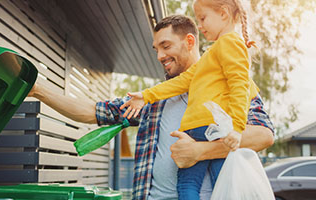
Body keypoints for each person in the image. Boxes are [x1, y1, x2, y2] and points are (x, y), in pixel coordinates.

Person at [28, 14, 274, 200]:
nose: (159, 56)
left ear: (190, 42)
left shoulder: (232, 83)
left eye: (166, 46)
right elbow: (94, 111)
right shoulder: (153, 99)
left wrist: (200, 151)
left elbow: (262, 136)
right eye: (156, 49)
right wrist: (39, 90)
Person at [121, 0, 266, 199]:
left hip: (205, 129)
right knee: (222, 183)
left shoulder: (230, 43)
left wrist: (237, 128)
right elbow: (183, 81)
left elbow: (239, 85)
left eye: (203, 18)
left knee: (190, 184)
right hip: (204, 130)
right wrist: (146, 96)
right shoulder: (213, 53)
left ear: (223, 14)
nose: (200, 25)